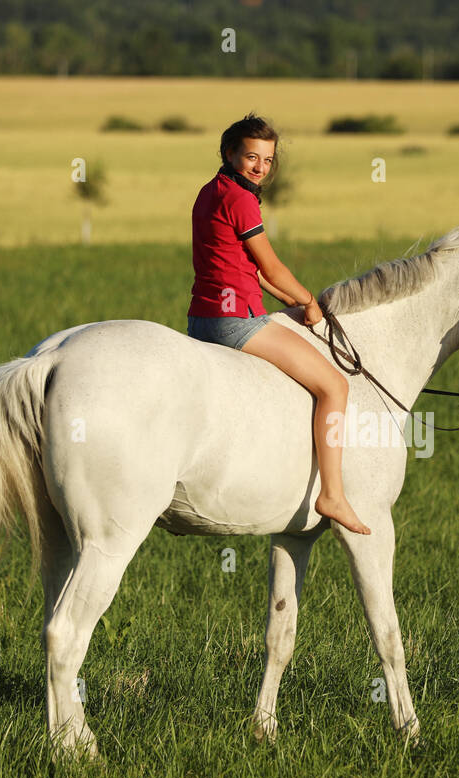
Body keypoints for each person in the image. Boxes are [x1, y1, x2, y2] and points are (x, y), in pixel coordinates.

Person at [187, 113, 371, 535]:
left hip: (203, 317)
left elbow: (259, 274)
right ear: (228, 153)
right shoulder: (241, 199)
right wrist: (307, 299)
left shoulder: (209, 192)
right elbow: (270, 265)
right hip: (235, 321)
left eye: (267, 160)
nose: (260, 167)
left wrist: (300, 304)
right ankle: (332, 495)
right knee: (335, 386)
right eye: (251, 157)